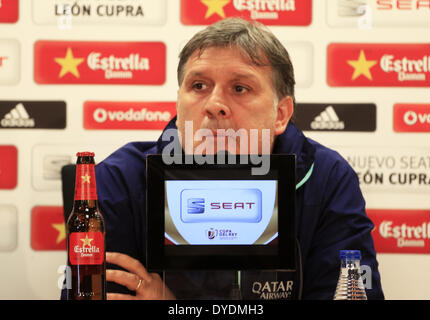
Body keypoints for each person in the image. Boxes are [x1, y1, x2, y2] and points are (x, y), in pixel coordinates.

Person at [62, 18, 384, 300]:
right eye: (198, 85)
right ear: (178, 104)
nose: (215, 104)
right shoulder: (119, 180)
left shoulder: (326, 178)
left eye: (240, 88)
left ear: (280, 114)